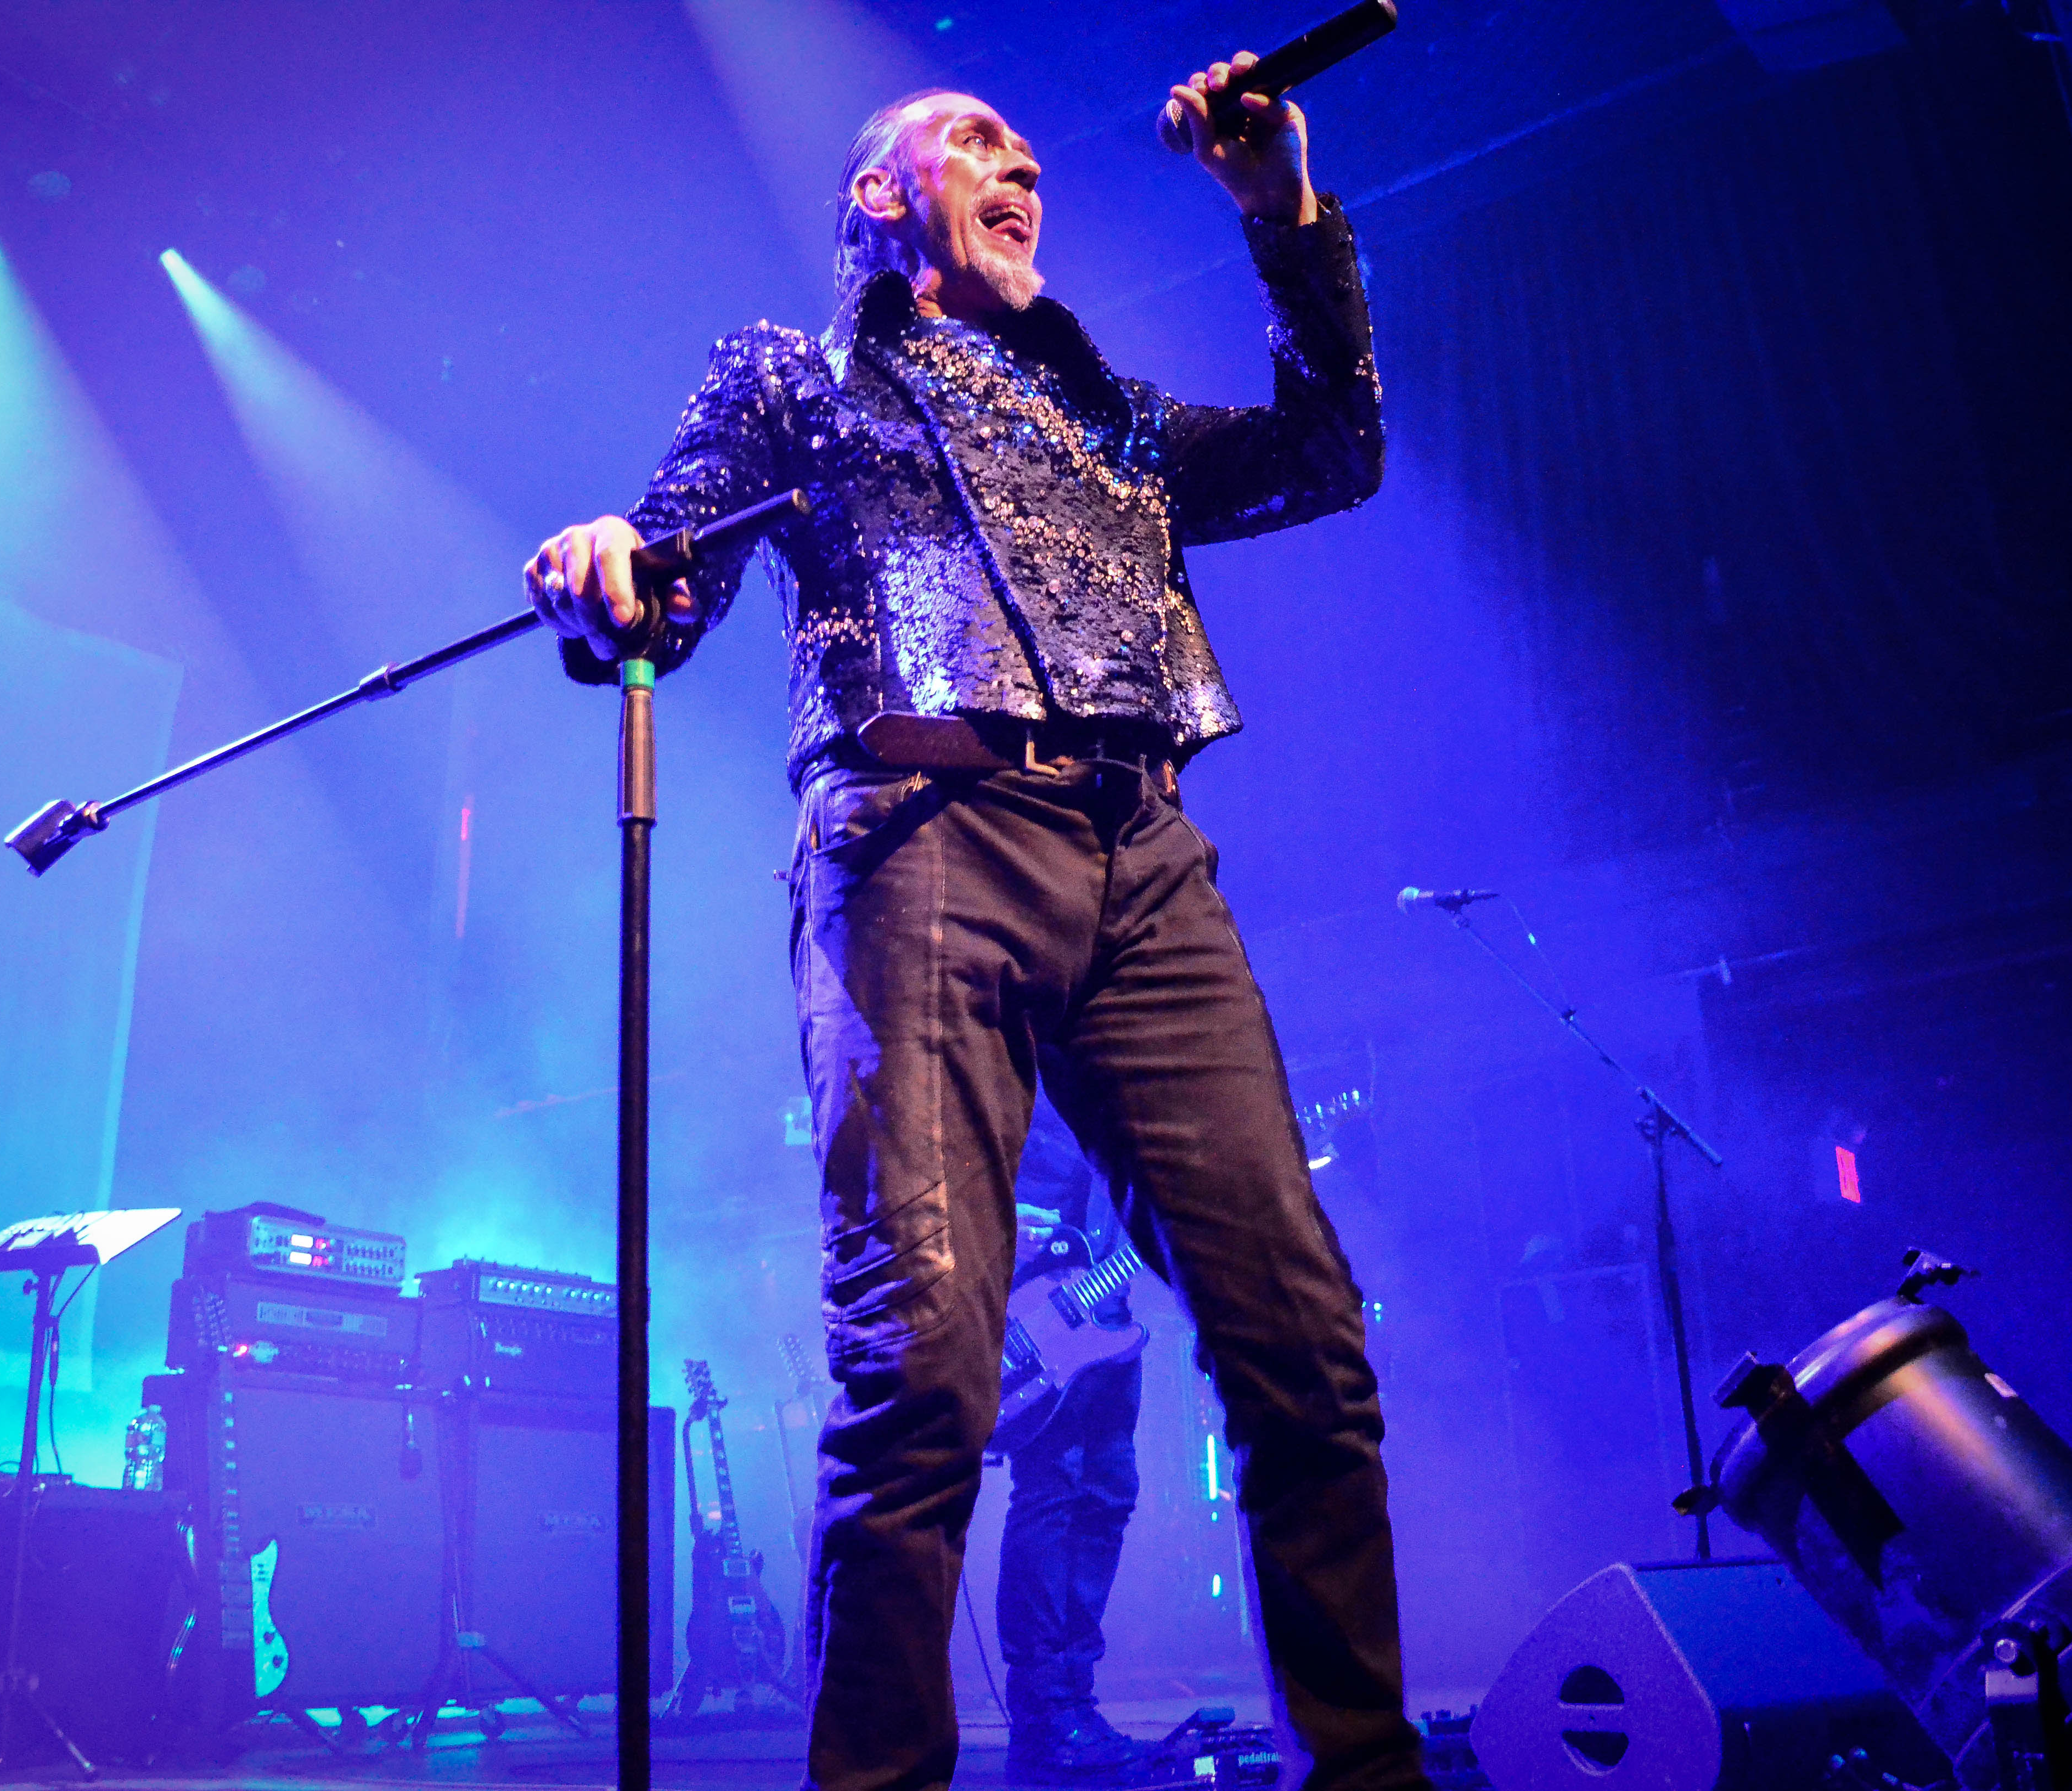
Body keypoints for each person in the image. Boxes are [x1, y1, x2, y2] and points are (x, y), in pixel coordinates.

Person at [527, 55, 1426, 1791]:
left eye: (1026, 147)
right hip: (920, 834)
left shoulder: (1114, 420)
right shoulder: (796, 378)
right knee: (925, 1359)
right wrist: (607, 566)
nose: (1018, 161)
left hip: (1144, 856)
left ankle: (1369, 1771)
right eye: (970, 142)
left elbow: (1336, 448)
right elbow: (670, 570)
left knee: (1303, 1341)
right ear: (880, 197)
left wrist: (1278, 213)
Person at [998, 1103, 1146, 1779]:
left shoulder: (1117, 1082)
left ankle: (1076, 1701)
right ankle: (1041, 1712)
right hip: (1037, 1317)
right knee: (1050, 1493)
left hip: (1109, 1321)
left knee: (1109, 1497)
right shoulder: (1025, 1079)